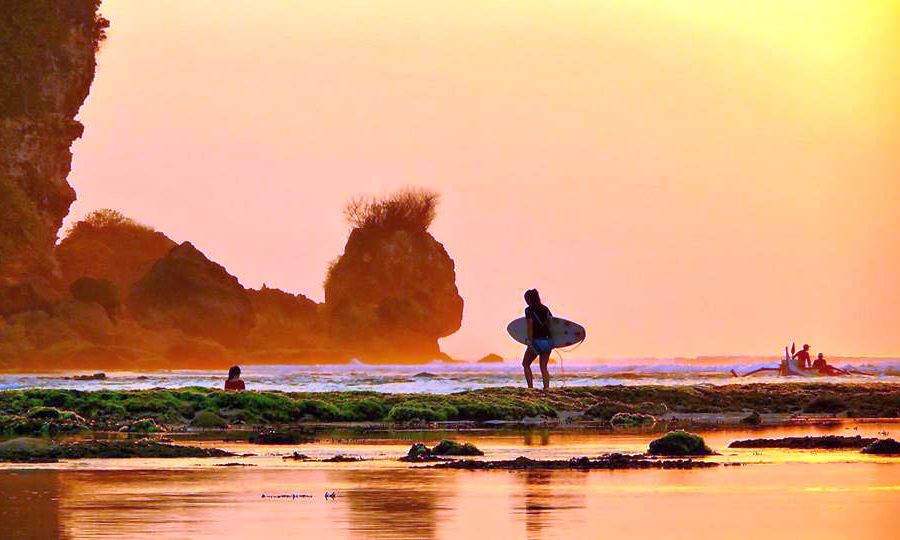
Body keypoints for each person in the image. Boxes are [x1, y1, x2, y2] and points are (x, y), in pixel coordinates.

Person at [521, 289, 554, 390]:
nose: (526, 301)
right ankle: (546, 388)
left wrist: (530, 342)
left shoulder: (528, 310)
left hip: (536, 340)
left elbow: (530, 327)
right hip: (548, 341)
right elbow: (551, 325)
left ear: (530, 299)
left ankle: (530, 388)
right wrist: (552, 342)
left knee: (525, 364)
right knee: (543, 367)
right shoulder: (546, 309)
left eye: (526, 299)